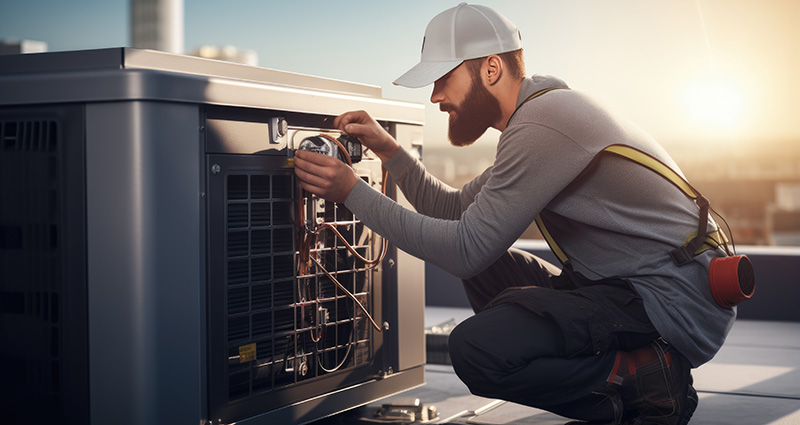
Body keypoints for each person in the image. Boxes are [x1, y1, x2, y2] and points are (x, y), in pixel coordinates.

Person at [293, 3, 734, 424]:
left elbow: (464, 249)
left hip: (669, 303)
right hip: (631, 288)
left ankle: (647, 380)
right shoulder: (539, 116)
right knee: (486, 269)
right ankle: (625, 374)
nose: (435, 96)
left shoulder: (545, 123)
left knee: (477, 350)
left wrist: (350, 192)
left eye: (443, 78)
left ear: (490, 68)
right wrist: (389, 151)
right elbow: (454, 212)